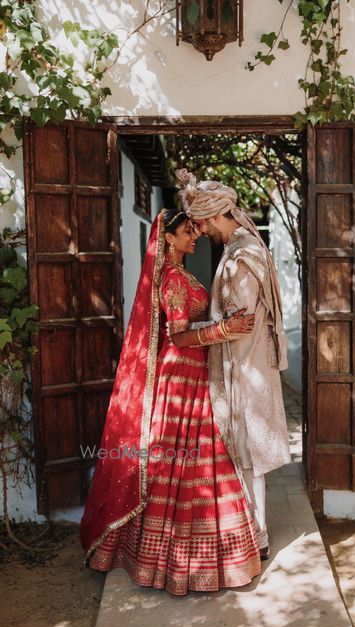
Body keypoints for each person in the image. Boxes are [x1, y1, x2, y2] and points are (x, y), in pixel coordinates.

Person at [80, 208, 262, 596]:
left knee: (197, 462)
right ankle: (173, 563)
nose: (194, 237)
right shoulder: (174, 281)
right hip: (181, 376)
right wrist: (224, 330)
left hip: (193, 371)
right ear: (167, 238)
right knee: (184, 465)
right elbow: (178, 338)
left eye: (196, 231)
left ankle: (191, 560)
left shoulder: (182, 275)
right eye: (186, 232)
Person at [175, 169, 291, 560]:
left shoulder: (242, 256)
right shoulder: (240, 249)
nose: (201, 230)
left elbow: (241, 324)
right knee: (243, 452)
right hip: (242, 363)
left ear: (217, 215)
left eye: (203, 222)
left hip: (244, 365)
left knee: (246, 453)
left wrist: (193, 331)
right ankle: (251, 535)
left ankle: (254, 538)